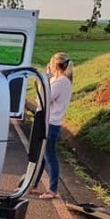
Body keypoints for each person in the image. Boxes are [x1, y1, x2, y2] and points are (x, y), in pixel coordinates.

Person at [38, 52, 74, 199]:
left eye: (51, 63)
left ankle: (53, 189)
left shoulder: (60, 83)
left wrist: (45, 78)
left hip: (50, 123)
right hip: (51, 122)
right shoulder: (61, 81)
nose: (50, 66)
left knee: (49, 156)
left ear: (56, 65)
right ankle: (34, 184)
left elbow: (43, 98)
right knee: (41, 155)